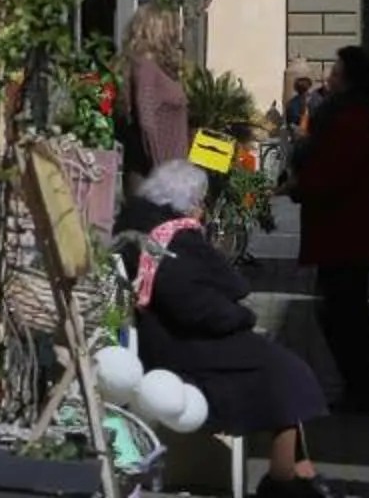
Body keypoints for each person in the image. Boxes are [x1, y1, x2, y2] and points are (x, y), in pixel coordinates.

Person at [118, 160, 334, 498]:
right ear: (187, 200)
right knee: (287, 371)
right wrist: (243, 318)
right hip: (182, 348)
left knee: (282, 366)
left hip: (172, 337)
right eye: (201, 200)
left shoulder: (147, 224)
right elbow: (204, 299)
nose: (203, 208)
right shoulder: (174, 236)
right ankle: (284, 479)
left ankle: (294, 472)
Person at [290, 44, 369, 414]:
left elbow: (335, 172)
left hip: (346, 231)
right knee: (339, 311)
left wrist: (301, 183)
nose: (327, 77)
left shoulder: (351, 118)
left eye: (334, 71)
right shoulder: (346, 114)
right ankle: (356, 388)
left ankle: (361, 392)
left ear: (347, 79)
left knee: (343, 315)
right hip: (343, 231)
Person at [120, 8, 191, 190]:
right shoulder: (145, 67)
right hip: (155, 176)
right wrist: (161, 170)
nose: (176, 34)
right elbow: (146, 119)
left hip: (170, 171)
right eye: (171, 27)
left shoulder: (159, 69)